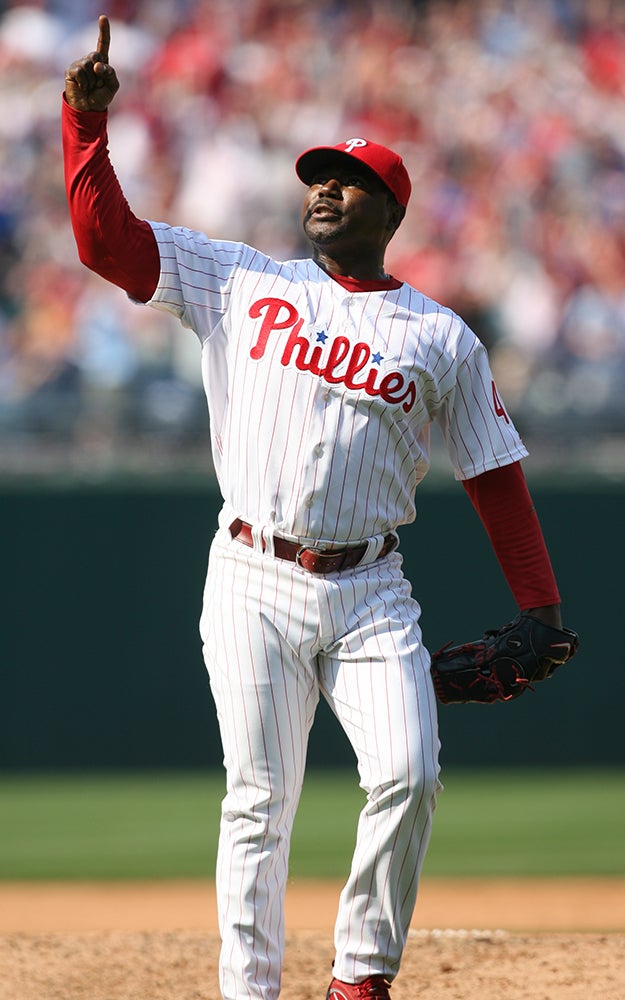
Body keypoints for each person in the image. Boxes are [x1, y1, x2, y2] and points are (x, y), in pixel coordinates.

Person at [63, 16, 572, 1000]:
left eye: (349, 178)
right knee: (257, 799)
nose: (325, 187)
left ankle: (359, 976)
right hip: (250, 573)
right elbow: (105, 244)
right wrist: (85, 125)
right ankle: (248, 989)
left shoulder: (440, 337)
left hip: (370, 586)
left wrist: (540, 609)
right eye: (317, 175)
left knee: (410, 769)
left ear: (390, 207)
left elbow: (495, 473)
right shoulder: (239, 280)